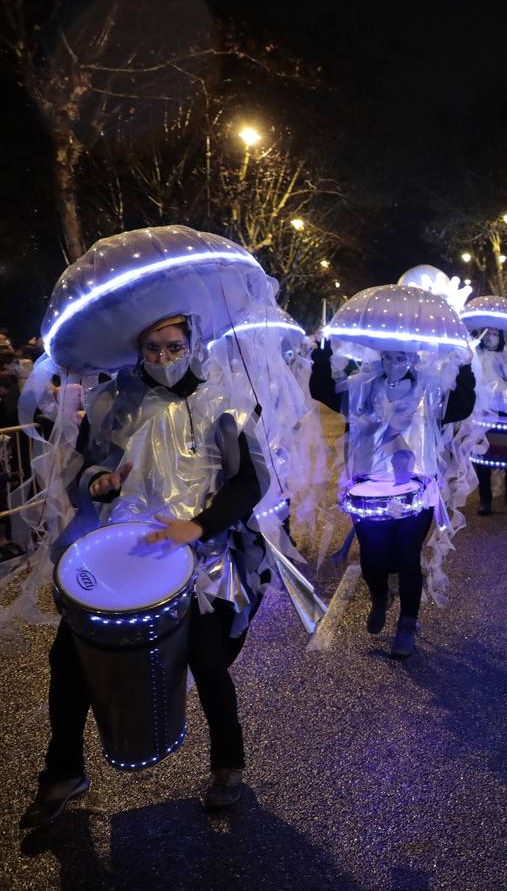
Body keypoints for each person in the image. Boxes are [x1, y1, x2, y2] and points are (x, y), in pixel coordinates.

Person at [23, 313, 270, 826]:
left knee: (205, 661)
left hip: (199, 558)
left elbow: (249, 483)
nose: (162, 359)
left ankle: (229, 765)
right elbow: (83, 470)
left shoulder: (224, 402)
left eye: (173, 347)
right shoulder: (112, 401)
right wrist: (98, 483)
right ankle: (63, 770)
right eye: (152, 348)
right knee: (68, 660)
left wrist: (197, 526)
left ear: (192, 343)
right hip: (127, 548)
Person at [310, 323, 476, 658]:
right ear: (380, 357)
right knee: (373, 558)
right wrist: (323, 351)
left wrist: (465, 366)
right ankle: (380, 594)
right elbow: (322, 390)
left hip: (416, 490)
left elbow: (461, 406)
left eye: (402, 356)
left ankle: (406, 625)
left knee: (407, 556)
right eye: (389, 356)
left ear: (413, 358)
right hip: (368, 490)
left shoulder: (431, 391)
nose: (395, 362)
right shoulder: (359, 389)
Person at [471, 324, 507, 515]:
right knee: (483, 456)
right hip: (483, 413)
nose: (491, 337)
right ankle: (485, 499)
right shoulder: (476, 355)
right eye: (487, 333)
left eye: (495, 333)